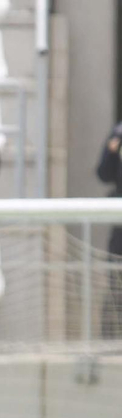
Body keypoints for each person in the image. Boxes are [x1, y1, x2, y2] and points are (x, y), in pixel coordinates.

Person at [95, 118, 122, 338]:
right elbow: (103, 173)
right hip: (120, 223)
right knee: (115, 275)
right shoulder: (118, 133)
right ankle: (111, 337)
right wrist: (112, 151)